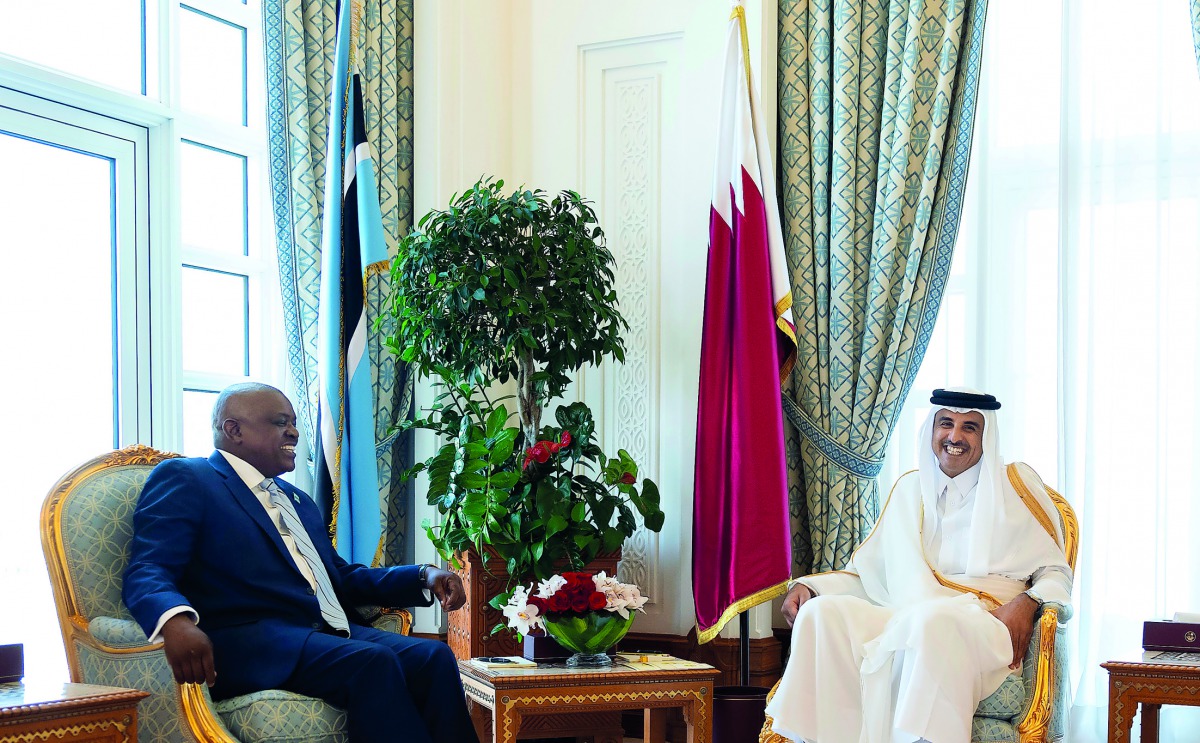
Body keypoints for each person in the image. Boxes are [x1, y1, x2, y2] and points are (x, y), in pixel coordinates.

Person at [123, 382, 479, 743]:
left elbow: (339, 577)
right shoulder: (188, 478)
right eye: (280, 422)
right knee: (373, 662)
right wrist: (175, 621)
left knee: (433, 657)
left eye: (293, 422)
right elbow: (148, 568)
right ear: (234, 430)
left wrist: (424, 576)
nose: (294, 431)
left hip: (322, 634)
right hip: (250, 641)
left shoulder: (298, 500)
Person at [766, 388, 1072, 743]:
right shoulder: (911, 490)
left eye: (970, 427)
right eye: (947, 423)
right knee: (824, 615)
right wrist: (811, 588)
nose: (955, 437)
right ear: (932, 429)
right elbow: (870, 575)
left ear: (986, 434)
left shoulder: (1016, 488)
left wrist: (1029, 601)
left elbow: (1057, 572)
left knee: (931, 623)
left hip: (986, 622)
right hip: (911, 613)